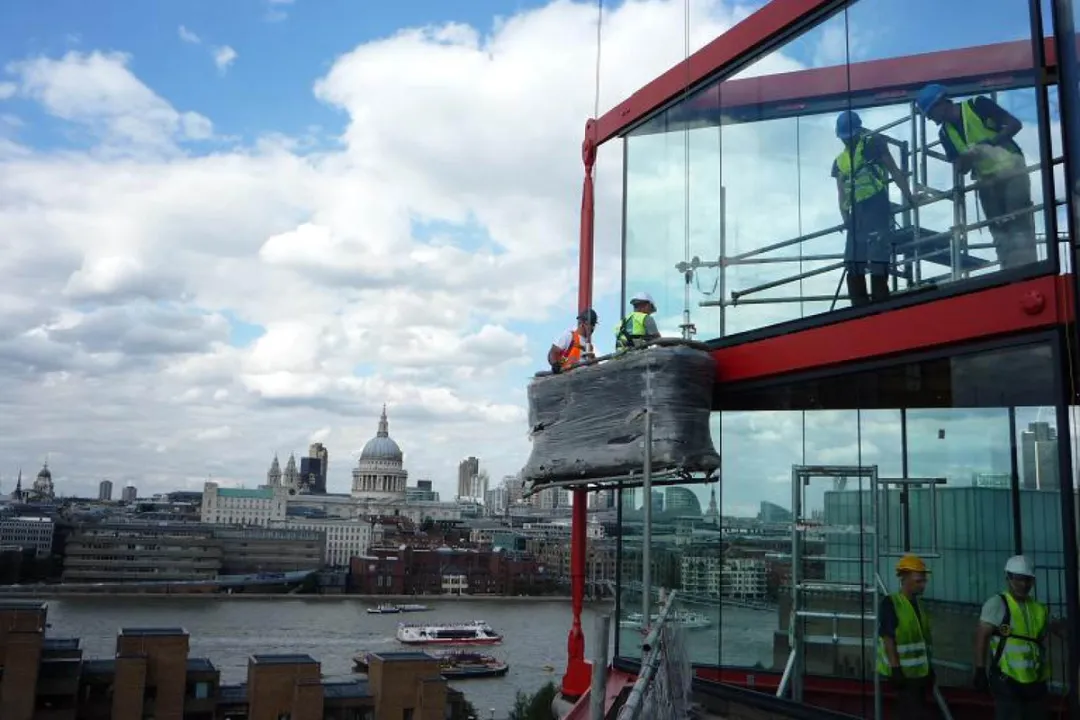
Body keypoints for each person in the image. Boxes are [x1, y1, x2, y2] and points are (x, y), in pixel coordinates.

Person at [916, 83, 1038, 270]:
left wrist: (991, 142)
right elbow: (960, 168)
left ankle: (1028, 269)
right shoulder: (945, 133)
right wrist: (967, 158)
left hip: (1011, 169)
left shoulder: (977, 105)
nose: (931, 119)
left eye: (930, 114)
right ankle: (1009, 272)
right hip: (986, 181)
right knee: (997, 229)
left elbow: (1015, 124)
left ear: (940, 104)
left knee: (1017, 221)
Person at [832, 110, 916, 306]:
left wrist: (910, 197)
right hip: (857, 213)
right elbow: (841, 193)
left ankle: (880, 305)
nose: (847, 141)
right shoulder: (840, 161)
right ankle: (859, 309)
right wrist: (845, 219)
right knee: (854, 265)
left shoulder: (873, 144)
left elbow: (894, 171)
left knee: (877, 260)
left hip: (876, 205)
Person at [973, 555, 1063, 719]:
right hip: (1007, 679)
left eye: (1028, 580)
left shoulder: (1039, 609)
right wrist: (980, 669)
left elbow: (1057, 629)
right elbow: (982, 635)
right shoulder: (997, 604)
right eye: (1019, 579)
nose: (1023, 585)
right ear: (1008, 578)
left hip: (1035, 681)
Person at [876, 553, 934, 718]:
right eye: (918, 581)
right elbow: (888, 638)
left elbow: (923, 641)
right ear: (904, 579)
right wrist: (895, 669)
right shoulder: (891, 603)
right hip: (904, 675)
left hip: (919, 674)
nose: (923, 585)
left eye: (924, 581)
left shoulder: (919, 605)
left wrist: (930, 669)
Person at [547, 309, 598, 374]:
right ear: (582, 323)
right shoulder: (569, 336)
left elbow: (593, 367)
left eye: (593, 325)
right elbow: (553, 352)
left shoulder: (589, 345)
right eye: (590, 324)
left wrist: (593, 359)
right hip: (566, 376)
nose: (592, 328)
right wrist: (555, 364)